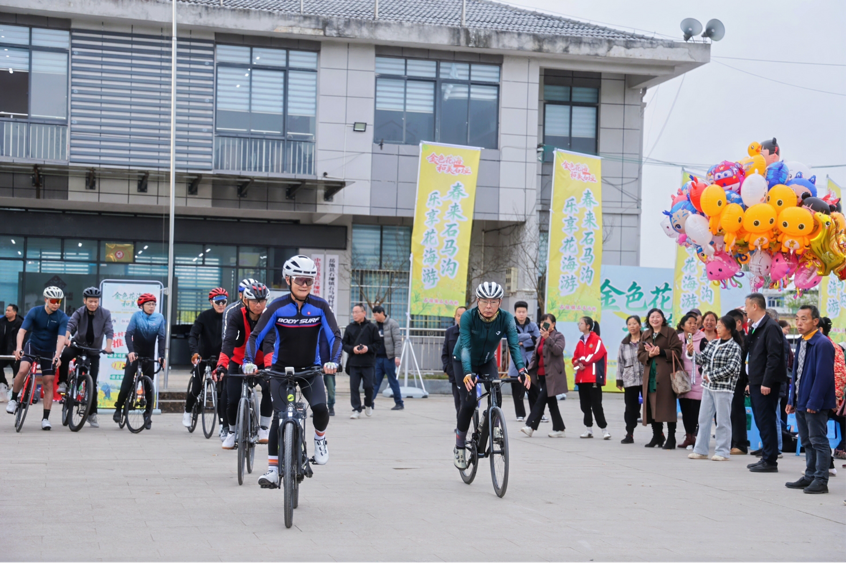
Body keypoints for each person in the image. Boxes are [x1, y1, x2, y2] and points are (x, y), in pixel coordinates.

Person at [242, 255, 341, 488]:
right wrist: (248, 361)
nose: (304, 284)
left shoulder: (320, 306)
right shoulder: (277, 307)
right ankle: (273, 470)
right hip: (280, 371)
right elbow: (255, 336)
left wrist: (333, 361)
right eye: (299, 280)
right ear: (288, 280)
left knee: (320, 408)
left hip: (310, 370)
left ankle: (320, 439)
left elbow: (335, 336)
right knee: (279, 417)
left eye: (309, 280)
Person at [452, 282, 529, 470]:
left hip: (487, 360)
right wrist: (468, 372)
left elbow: (513, 345)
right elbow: (466, 347)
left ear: (500, 302)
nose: (488, 306)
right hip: (463, 360)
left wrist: (521, 369)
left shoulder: (506, 318)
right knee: (469, 403)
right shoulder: (468, 317)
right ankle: (459, 446)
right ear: (477, 301)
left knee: (496, 394)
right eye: (484, 301)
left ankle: (493, 424)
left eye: (493, 302)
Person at [215, 282, 273, 449]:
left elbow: (269, 344)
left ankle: (263, 428)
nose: (258, 305)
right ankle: (232, 432)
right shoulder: (236, 315)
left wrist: (269, 368)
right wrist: (222, 365)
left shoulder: (268, 317)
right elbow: (228, 342)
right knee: (232, 398)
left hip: (261, 361)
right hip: (238, 361)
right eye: (254, 301)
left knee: (269, 388)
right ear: (245, 301)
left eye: (262, 301)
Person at [785, 305, 836, 494]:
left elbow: (824, 376)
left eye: (804, 319)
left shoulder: (822, 343)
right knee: (806, 441)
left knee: (818, 441)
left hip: (815, 403)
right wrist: (792, 399)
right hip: (801, 400)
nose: (799, 323)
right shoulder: (802, 341)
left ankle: (821, 480)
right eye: (797, 318)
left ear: (815, 321)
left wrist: (814, 402)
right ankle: (810, 476)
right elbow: (797, 375)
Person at [5, 287, 69, 430]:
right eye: (53, 301)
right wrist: (19, 348)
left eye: (59, 301)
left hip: (49, 350)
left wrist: (57, 355)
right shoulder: (35, 311)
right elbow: (22, 331)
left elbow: (61, 338)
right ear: (46, 299)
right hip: (32, 346)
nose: (56, 304)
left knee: (48, 382)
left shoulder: (62, 317)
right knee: (23, 370)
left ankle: (45, 418)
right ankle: (13, 399)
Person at [688, 315, 743, 461]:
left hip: (724, 389)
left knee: (723, 421)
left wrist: (711, 376)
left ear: (729, 329)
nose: (717, 328)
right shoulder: (713, 343)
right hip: (708, 387)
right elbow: (702, 359)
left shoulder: (734, 347)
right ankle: (700, 450)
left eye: (720, 326)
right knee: (703, 419)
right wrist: (692, 353)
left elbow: (732, 368)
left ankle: (722, 451)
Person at [744, 293, 788, 473]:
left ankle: (770, 460)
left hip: (766, 383)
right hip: (756, 381)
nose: (745, 310)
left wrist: (767, 382)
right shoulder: (756, 327)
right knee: (761, 420)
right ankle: (766, 456)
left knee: (767, 420)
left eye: (747, 306)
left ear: (755, 306)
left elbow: (774, 356)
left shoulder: (770, 327)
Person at [58, 287, 114, 428]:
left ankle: (92, 414)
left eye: (96, 301)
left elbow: (109, 330)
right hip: (78, 345)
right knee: (65, 355)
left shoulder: (105, 313)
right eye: (90, 301)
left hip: (94, 350)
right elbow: (70, 325)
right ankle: (63, 382)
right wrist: (66, 339)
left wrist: (108, 346)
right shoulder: (79, 312)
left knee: (92, 383)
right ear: (85, 301)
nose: (93, 304)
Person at [112, 293, 165, 430]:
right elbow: (128, 334)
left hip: (149, 356)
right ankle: (118, 409)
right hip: (134, 354)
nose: (151, 306)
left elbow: (161, 338)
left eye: (153, 304)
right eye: (148, 304)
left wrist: (161, 356)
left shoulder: (159, 318)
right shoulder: (136, 316)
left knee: (149, 387)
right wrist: (131, 351)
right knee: (126, 383)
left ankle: (147, 415)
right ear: (141, 306)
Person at [637, 308, 683, 449]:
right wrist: (649, 355)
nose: (655, 319)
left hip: (666, 376)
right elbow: (640, 354)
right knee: (652, 407)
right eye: (652, 317)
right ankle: (657, 436)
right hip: (650, 375)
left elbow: (677, 351)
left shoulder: (670, 332)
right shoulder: (645, 334)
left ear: (663, 319)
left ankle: (671, 438)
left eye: (658, 317)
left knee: (668, 407)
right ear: (648, 319)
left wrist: (661, 352)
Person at [182, 288, 228, 429]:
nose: (221, 305)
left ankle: (222, 424)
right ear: (211, 302)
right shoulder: (204, 316)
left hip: (221, 359)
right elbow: (193, 335)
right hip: (202, 358)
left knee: (221, 393)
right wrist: (195, 353)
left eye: (224, 302)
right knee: (196, 388)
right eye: (217, 302)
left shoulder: (230, 317)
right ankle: (187, 411)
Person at [520, 313, 566, 437]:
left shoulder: (558, 336)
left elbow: (558, 350)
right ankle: (559, 428)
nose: (543, 325)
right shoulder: (540, 338)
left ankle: (530, 426)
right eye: (541, 322)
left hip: (553, 376)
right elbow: (535, 356)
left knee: (540, 400)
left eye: (546, 322)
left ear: (553, 324)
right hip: (541, 375)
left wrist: (548, 338)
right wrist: (529, 371)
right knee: (551, 402)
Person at [573, 316, 609, 439]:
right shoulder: (580, 341)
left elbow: (597, 354)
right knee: (584, 405)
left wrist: (582, 361)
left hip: (593, 378)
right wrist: (578, 363)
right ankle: (588, 429)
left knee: (596, 405)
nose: (579, 325)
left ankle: (604, 430)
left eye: (581, 323)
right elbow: (575, 358)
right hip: (582, 378)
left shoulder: (596, 339)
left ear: (588, 326)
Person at [677, 312, 705, 449]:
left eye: (695, 323)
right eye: (689, 323)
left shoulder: (703, 338)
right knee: (686, 410)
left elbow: (706, 358)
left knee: (697, 410)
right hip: (683, 380)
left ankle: (697, 437)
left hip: (699, 380)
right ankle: (689, 437)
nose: (693, 325)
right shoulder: (678, 339)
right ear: (682, 326)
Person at [509, 301, 540, 422]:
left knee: (534, 388)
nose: (521, 314)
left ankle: (536, 413)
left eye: (523, 312)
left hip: (530, 360)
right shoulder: (510, 324)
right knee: (517, 389)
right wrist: (529, 337)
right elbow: (512, 338)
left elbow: (537, 339)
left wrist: (523, 341)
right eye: (519, 312)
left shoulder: (533, 325)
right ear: (515, 312)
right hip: (517, 360)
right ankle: (520, 414)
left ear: (527, 312)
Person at [370, 305, 404, 411]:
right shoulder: (374, 326)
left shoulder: (392, 324)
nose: (375, 317)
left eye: (376, 315)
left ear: (382, 313)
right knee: (375, 382)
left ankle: (399, 403)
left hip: (389, 358)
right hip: (377, 359)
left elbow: (397, 341)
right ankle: (369, 403)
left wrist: (397, 356)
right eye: (374, 315)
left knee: (392, 381)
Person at [617, 315, 644, 444]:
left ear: (640, 325)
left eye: (634, 323)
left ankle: (658, 434)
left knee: (651, 406)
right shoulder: (624, 343)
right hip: (630, 379)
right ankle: (629, 433)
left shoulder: (646, 340)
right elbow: (620, 362)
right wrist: (619, 379)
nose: (632, 326)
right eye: (629, 324)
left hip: (645, 378)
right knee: (630, 408)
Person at [726, 308, 749, 455]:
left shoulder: (746, 340)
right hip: (726, 381)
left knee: (737, 411)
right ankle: (729, 442)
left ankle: (740, 444)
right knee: (727, 412)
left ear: (738, 323)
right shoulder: (729, 340)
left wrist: (748, 382)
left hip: (739, 381)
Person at [441, 306, 465, 417]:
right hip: (455, 373)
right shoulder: (450, 332)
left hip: (469, 372)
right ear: (455, 317)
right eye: (458, 315)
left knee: (469, 401)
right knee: (458, 401)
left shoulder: (473, 331)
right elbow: (445, 353)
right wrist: (447, 368)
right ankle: (460, 423)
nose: (460, 318)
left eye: (463, 316)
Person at [0, 304, 22, 400]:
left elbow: (24, 338)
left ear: (15, 312)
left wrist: (19, 349)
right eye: (6, 310)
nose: (6, 312)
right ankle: (3, 385)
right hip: (2, 351)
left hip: (15, 352)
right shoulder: (2, 322)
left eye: (9, 310)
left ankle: (15, 389)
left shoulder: (21, 323)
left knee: (17, 369)